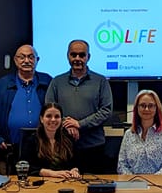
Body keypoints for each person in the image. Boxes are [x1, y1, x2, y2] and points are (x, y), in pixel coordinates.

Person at [0, 44, 51, 173]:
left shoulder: (48, 82)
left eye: (31, 57)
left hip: (43, 150)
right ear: (15, 60)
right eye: (22, 57)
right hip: (9, 151)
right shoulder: (1, 85)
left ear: (37, 60)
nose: (26, 61)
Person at [45, 40, 113, 170]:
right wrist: (68, 125)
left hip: (94, 147)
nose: (77, 58)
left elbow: (106, 111)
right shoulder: (57, 82)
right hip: (63, 146)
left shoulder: (101, 81)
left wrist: (79, 124)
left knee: (94, 182)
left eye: (82, 55)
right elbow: (49, 110)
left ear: (88, 57)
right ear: (68, 56)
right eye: (73, 55)